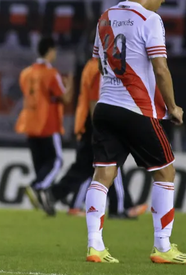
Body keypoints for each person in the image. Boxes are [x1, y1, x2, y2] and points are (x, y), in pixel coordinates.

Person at [84, 0, 186, 264]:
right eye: (162, 1)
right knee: (165, 172)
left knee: (103, 175)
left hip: (104, 106)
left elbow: (98, 63)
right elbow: (160, 68)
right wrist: (172, 107)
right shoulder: (150, 19)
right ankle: (162, 245)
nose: (160, 7)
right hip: (136, 109)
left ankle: (95, 246)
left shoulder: (105, 16)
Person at [45, 57, 147, 218]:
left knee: (84, 167)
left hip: (88, 123)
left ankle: (53, 194)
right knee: (112, 163)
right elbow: (96, 99)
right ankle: (120, 208)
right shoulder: (102, 67)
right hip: (97, 124)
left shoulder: (90, 65)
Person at [15, 36, 73, 212]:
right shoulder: (51, 73)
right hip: (47, 124)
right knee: (56, 161)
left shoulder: (26, 73)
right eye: (54, 51)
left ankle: (47, 203)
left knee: (42, 166)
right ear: (50, 51)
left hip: (29, 124)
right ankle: (36, 186)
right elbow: (65, 98)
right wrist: (70, 85)